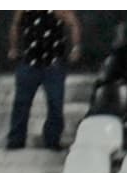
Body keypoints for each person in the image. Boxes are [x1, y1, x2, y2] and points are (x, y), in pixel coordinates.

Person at [6, 10, 81, 150]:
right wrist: (13, 48)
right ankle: (16, 140)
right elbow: (15, 25)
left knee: (55, 104)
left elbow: (73, 23)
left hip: (53, 62)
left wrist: (76, 48)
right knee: (21, 103)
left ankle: (52, 140)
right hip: (30, 61)